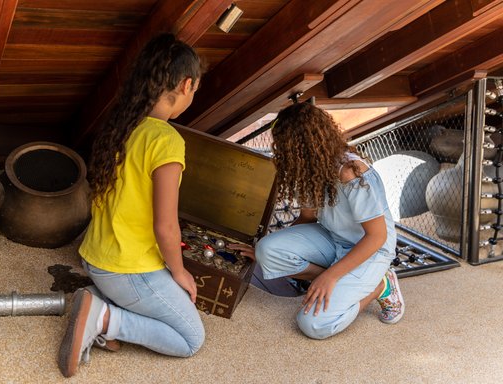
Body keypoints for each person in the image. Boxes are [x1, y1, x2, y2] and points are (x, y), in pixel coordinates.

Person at [57, 33, 204, 378]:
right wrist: (180, 271)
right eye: (195, 88)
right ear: (186, 85)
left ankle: (98, 299)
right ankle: (106, 318)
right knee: (191, 339)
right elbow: (166, 226)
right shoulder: (167, 140)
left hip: (95, 258)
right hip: (127, 270)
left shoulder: (120, 125)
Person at [231, 102, 404, 340]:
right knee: (266, 249)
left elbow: (377, 237)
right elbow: (307, 218)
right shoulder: (310, 170)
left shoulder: (351, 171)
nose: (280, 151)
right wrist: (264, 252)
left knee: (313, 325)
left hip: (372, 250)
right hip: (334, 240)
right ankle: (334, 278)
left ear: (304, 145)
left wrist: (330, 276)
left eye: (285, 146)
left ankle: (380, 287)